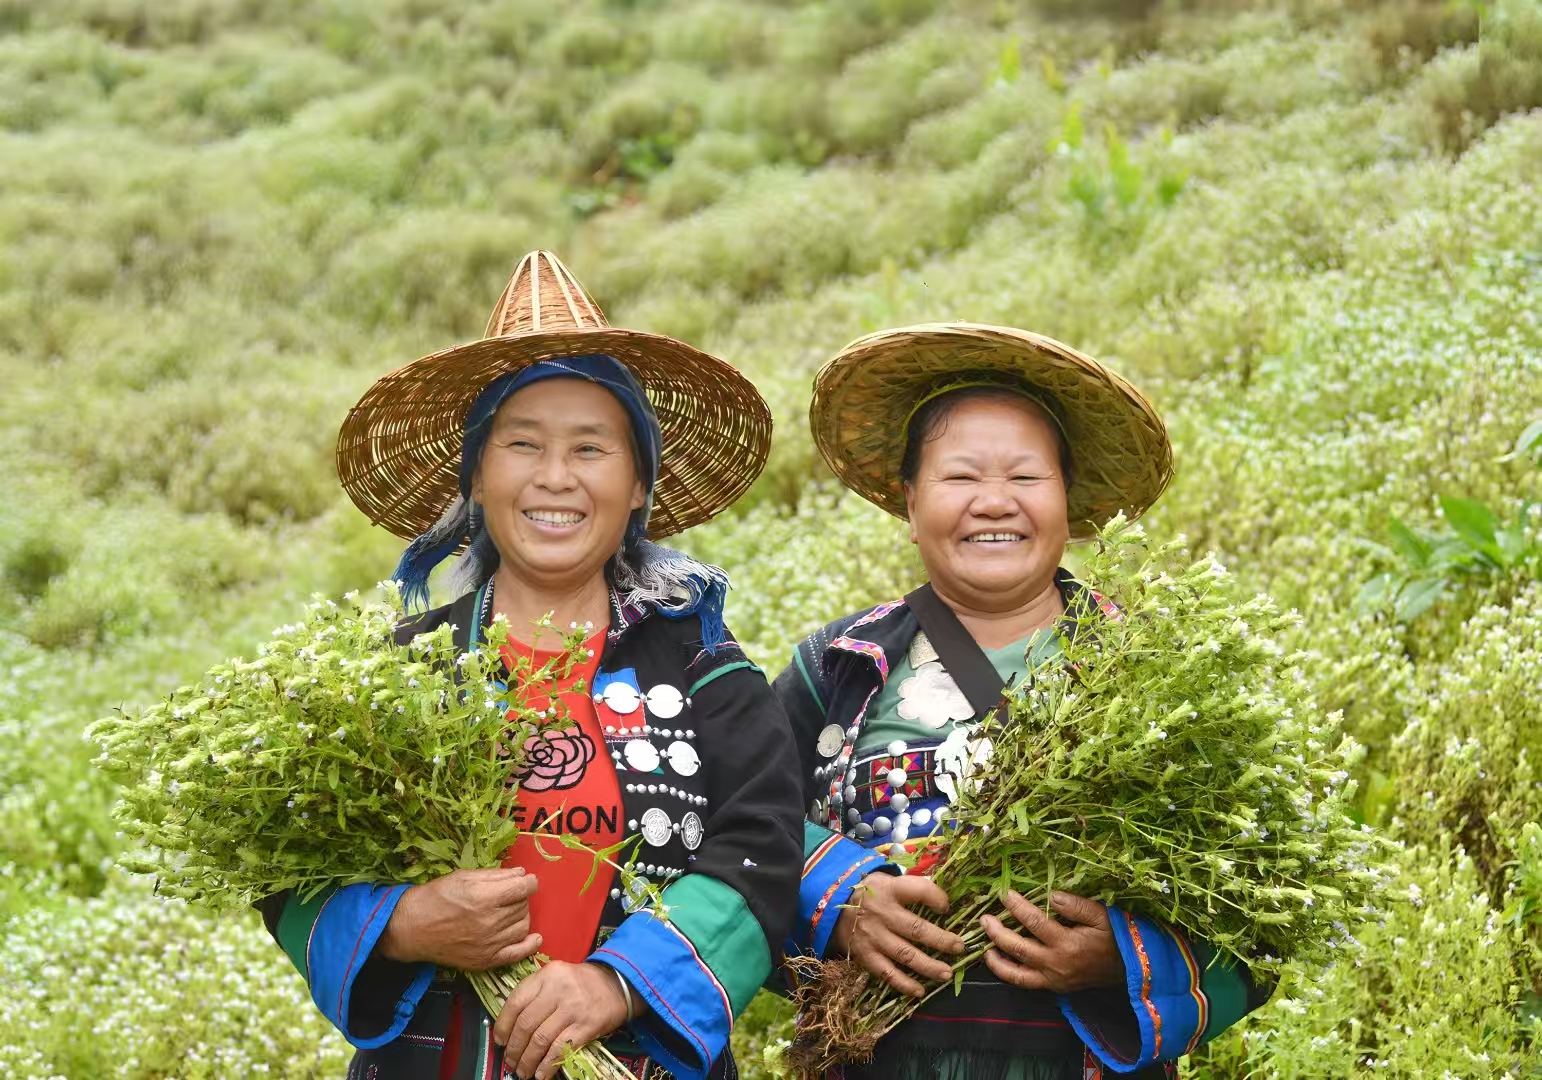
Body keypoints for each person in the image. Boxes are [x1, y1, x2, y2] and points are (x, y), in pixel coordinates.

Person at [257, 251, 804, 1080]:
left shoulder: (706, 669)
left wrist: (619, 983)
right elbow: (290, 865)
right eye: (522, 444)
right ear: (477, 479)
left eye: (591, 448)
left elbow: (763, 843)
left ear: (638, 486)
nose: (555, 477)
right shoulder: (397, 674)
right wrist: (404, 923)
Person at [775, 324, 1271, 1079]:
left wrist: (1124, 958)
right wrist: (839, 897)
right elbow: (736, 823)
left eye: (1027, 477)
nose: (994, 502)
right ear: (910, 503)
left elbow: (1262, 904)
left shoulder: (1158, 672)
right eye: (960, 477)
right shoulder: (838, 666)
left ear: (1068, 501)